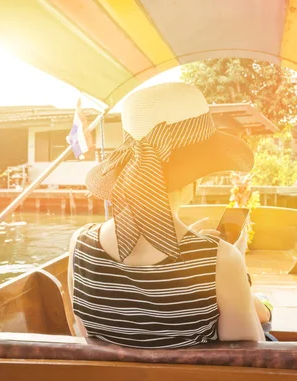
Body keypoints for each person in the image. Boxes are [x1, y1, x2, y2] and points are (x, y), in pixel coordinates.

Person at [68, 82, 268, 348]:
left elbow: (86, 335)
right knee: (268, 322)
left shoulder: (80, 245)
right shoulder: (221, 260)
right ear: (191, 181)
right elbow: (248, 359)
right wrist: (232, 265)